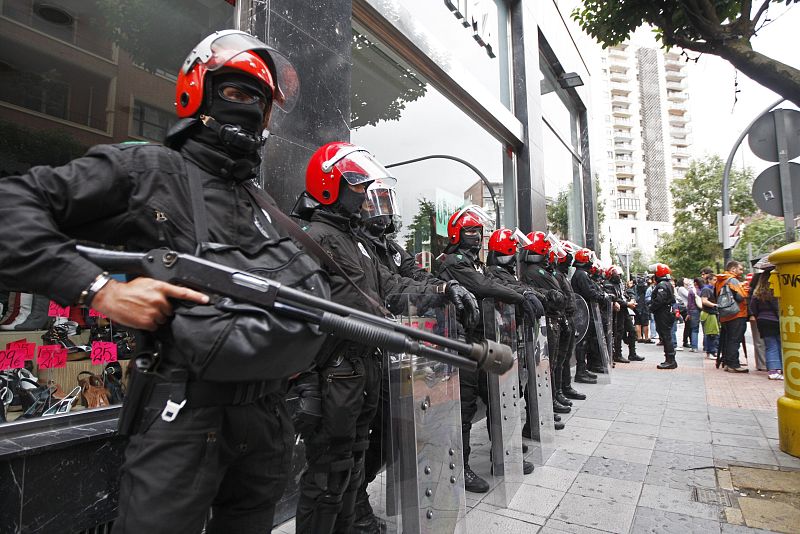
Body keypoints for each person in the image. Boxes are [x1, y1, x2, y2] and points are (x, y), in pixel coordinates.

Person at [0, 31, 318, 532]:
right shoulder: (148, 170)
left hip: (267, 419)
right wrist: (101, 290)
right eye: (236, 91)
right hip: (182, 413)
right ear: (197, 92)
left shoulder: (261, 204)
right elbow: (10, 209)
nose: (251, 110)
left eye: (261, 102)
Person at [291, 142, 474, 533]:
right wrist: (306, 384)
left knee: (352, 465)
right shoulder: (315, 237)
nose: (364, 196)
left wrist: (442, 291)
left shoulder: (355, 241)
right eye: (358, 186)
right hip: (333, 372)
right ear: (330, 185)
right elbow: (299, 314)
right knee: (326, 476)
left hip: (362, 369)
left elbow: (391, 285)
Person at [354, 179, 478, 533]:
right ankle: (355, 501)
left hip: (400, 354)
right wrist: (439, 287)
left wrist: (443, 287)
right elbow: (387, 289)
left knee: (397, 432)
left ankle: (365, 498)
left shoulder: (390, 247)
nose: (381, 212)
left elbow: (415, 276)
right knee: (372, 436)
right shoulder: (358, 245)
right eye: (372, 204)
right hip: (371, 350)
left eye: (384, 204)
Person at [436, 207, 543, 493]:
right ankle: (461, 468)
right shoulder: (452, 262)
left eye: (478, 231)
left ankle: (503, 455)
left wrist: (523, 292)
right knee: (465, 407)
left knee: (497, 397)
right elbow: (482, 286)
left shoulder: (476, 263)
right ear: (457, 234)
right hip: (461, 343)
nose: (476, 236)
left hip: (483, 341)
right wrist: (521, 295)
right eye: (470, 231)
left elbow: (491, 281)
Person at [716, 260, 749, 373]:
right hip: (737, 314)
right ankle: (733, 364)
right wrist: (745, 291)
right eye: (740, 269)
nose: (742, 271)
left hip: (725, 314)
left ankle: (727, 362)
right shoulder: (733, 280)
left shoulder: (720, 280)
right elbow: (740, 297)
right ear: (733, 269)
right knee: (735, 340)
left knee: (728, 339)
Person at [749, 268, 782, 380]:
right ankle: (780, 369)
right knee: (779, 345)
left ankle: (773, 370)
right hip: (776, 320)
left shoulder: (757, 293)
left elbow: (753, 307)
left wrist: (758, 316)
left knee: (770, 345)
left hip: (763, 320)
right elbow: (778, 307)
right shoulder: (776, 291)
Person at [606, 266, 643, 363]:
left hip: (624, 310)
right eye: (617, 275)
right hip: (617, 312)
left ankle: (632, 353)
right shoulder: (608, 285)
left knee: (632, 331)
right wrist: (627, 304)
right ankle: (618, 354)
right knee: (618, 333)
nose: (619, 277)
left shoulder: (620, 284)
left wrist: (632, 299)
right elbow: (614, 298)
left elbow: (628, 292)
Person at [649, 263, 677, 369]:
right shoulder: (666, 284)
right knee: (666, 336)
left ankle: (670, 360)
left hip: (663, 313)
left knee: (666, 336)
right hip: (666, 312)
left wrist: (651, 307)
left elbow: (660, 299)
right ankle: (669, 359)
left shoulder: (662, 285)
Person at [700, 273, 720, 359]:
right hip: (709, 313)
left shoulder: (711, 289)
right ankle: (711, 351)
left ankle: (711, 351)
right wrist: (715, 305)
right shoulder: (706, 289)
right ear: (709, 280)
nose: (716, 281)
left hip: (712, 313)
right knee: (711, 334)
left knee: (712, 333)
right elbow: (704, 301)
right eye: (714, 280)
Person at [687, 278, 703, 352]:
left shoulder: (691, 291)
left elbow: (689, 303)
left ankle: (694, 347)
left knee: (694, 329)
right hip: (703, 310)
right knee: (705, 330)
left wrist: (688, 313)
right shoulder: (704, 290)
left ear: (695, 283)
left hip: (693, 310)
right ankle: (706, 346)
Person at [676, 278, 691, 348]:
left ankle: (687, 340)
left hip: (685, 307)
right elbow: (689, 295)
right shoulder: (682, 288)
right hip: (685, 308)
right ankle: (685, 341)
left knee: (688, 325)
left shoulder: (683, 288)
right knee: (688, 324)